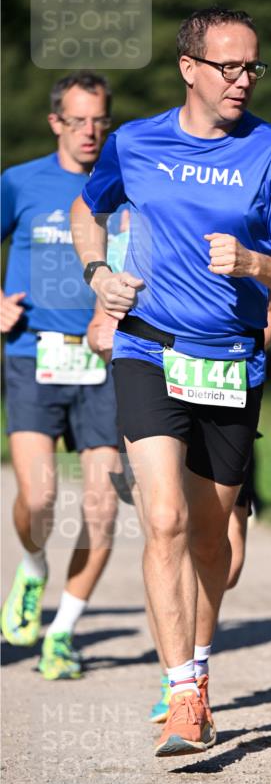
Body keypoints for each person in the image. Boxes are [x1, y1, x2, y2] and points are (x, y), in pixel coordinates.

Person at [71, 7, 271, 757]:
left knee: (214, 541)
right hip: (147, 347)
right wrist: (99, 276)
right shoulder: (135, 142)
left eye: (252, 68)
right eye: (229, 67)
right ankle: (181, 693)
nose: (243, 80)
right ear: (189, 68)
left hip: (230, 359)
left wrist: (255, 266)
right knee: (166, 519)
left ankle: (199, 670)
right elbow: (90, 212)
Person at [87, 292, 271, 722]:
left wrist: (226, 343)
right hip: (151, 377)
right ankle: (179, 684)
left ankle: (197, 664)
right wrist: (101, 334)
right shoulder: (132, 237)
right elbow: (97, 323)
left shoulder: (236, 233)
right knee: (165, 527)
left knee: (220, 559)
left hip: (227, 380)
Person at [1, 71, 120, 681]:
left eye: (100, 119)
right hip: (32, 354)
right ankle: (32, 567)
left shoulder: (125, 188)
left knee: (102, 509)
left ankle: (63, 633)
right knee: (41, 496)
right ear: (56, 122)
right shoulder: (19, 182)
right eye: (78, 120)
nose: (90, 131)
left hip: (105, 363)